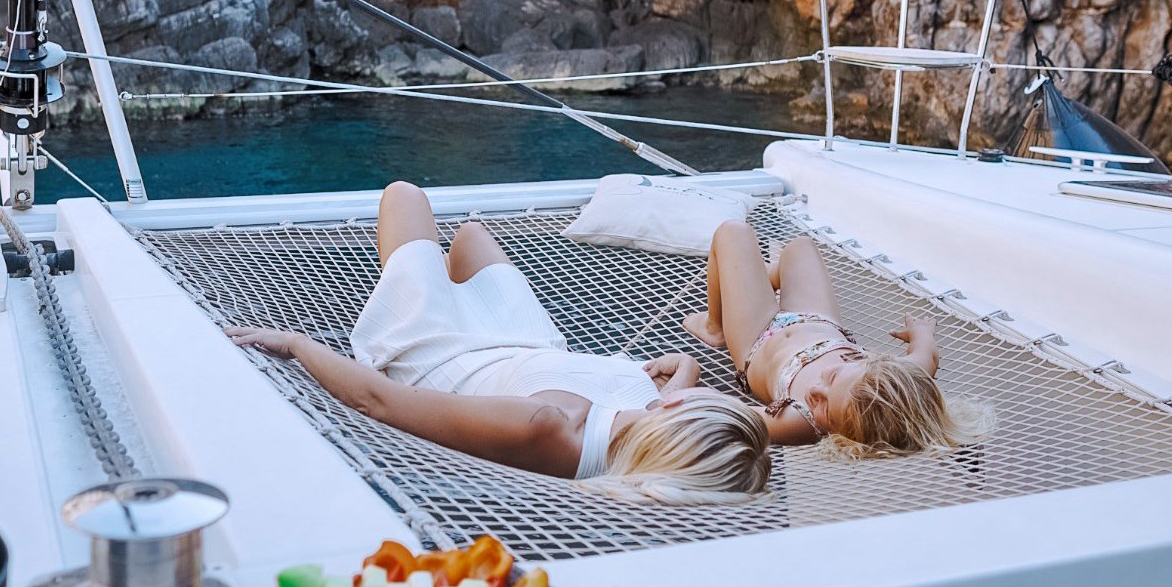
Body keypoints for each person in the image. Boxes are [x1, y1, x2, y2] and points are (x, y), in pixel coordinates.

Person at [228, 182, 771, 505]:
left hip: (439, 351)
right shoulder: (645, 431)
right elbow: (686, 388)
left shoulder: (546, 430)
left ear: (676, 418)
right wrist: (684, 372)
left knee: (404, 196)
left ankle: (420, 285)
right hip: (530, 349)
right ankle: (437, 275)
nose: (700, 388)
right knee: (471, 238)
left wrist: (296, 343)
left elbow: (379, 402)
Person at [683, 220, 991, 457]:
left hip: (757, 339)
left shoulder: (802, 421)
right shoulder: (899, 380)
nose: (815, 389)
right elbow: (927, 356)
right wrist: (920, 330)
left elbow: (728, 415)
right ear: (873, 362)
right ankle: (753, 281)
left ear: (844, 435)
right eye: (833, 376)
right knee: (800, 247)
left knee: (732, 232)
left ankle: (716, 325)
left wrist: (681, 385)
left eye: (824, 406)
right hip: (816, 319)